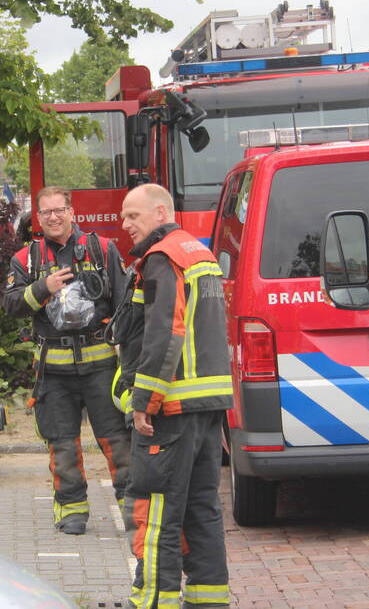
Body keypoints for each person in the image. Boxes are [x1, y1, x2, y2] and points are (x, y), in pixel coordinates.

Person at [114, 184, 233, 609]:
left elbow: (167, 334)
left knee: (156, 505)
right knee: (203, 504)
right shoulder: (199, 253)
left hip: (172, 407)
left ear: (160, 211)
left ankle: (153, 600)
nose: (125, 224)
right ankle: (208, 598)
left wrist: (144, 401)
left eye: (133, 215)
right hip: (208, 406)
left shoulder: (163, 259)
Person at [4, 186, 131, 535]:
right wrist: (43, 288)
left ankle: (135, 509)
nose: (53, 217)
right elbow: (11, 306)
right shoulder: (27, 259)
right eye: (45, 212)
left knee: (118, 441)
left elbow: (126, 303)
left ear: (72, 212)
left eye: (59, 210)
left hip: (101, 367)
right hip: (53, 373)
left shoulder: (101, 249)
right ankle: (72, 511)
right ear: (38, 218)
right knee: (62, 446)